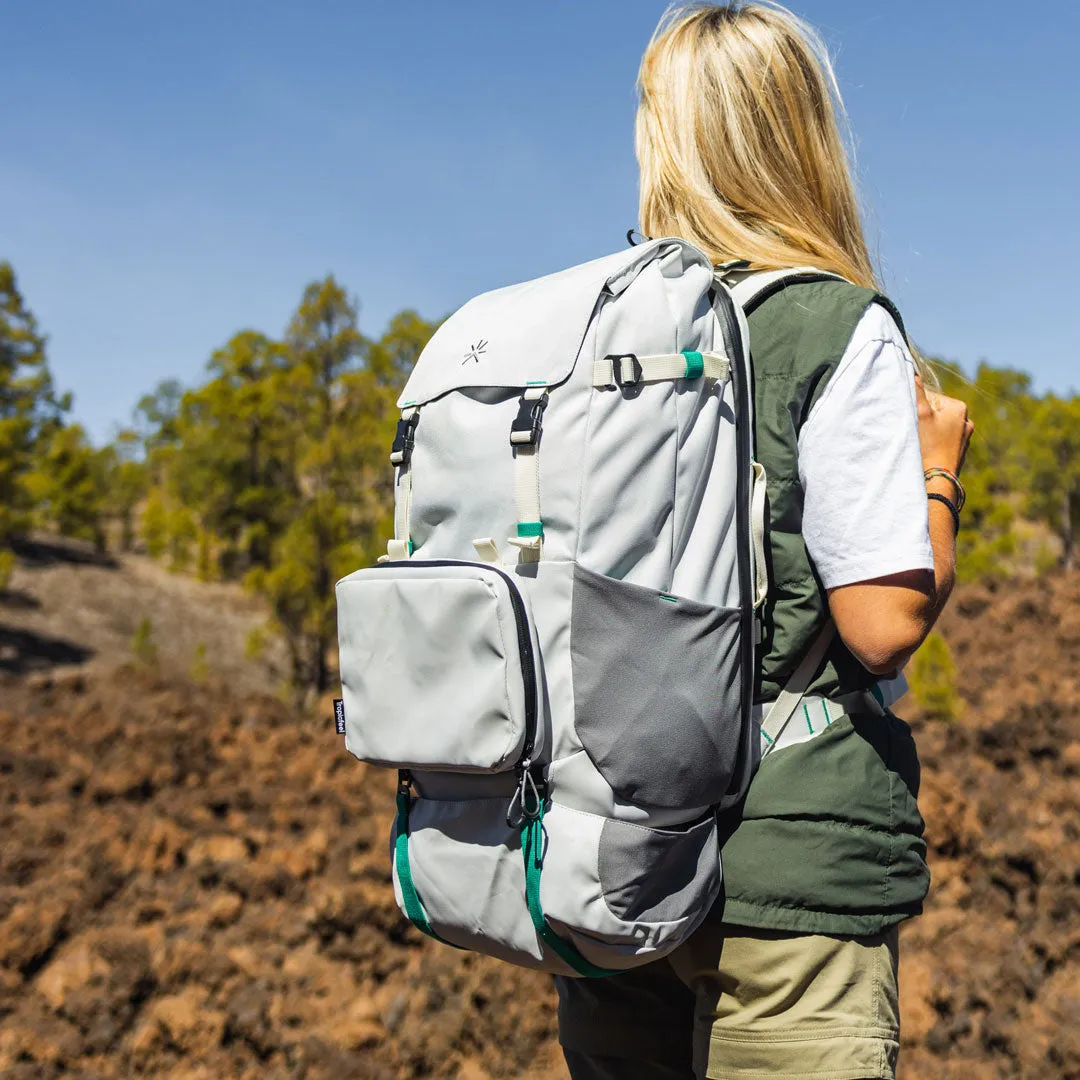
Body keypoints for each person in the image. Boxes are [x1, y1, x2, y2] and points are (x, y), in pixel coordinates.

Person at [555, 4, 974, 1079]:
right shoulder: (832, 322)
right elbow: (882, 624)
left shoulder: (600, 334)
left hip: (613, 862)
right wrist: (938, 473)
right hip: (784, 880)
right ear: (798, 134)